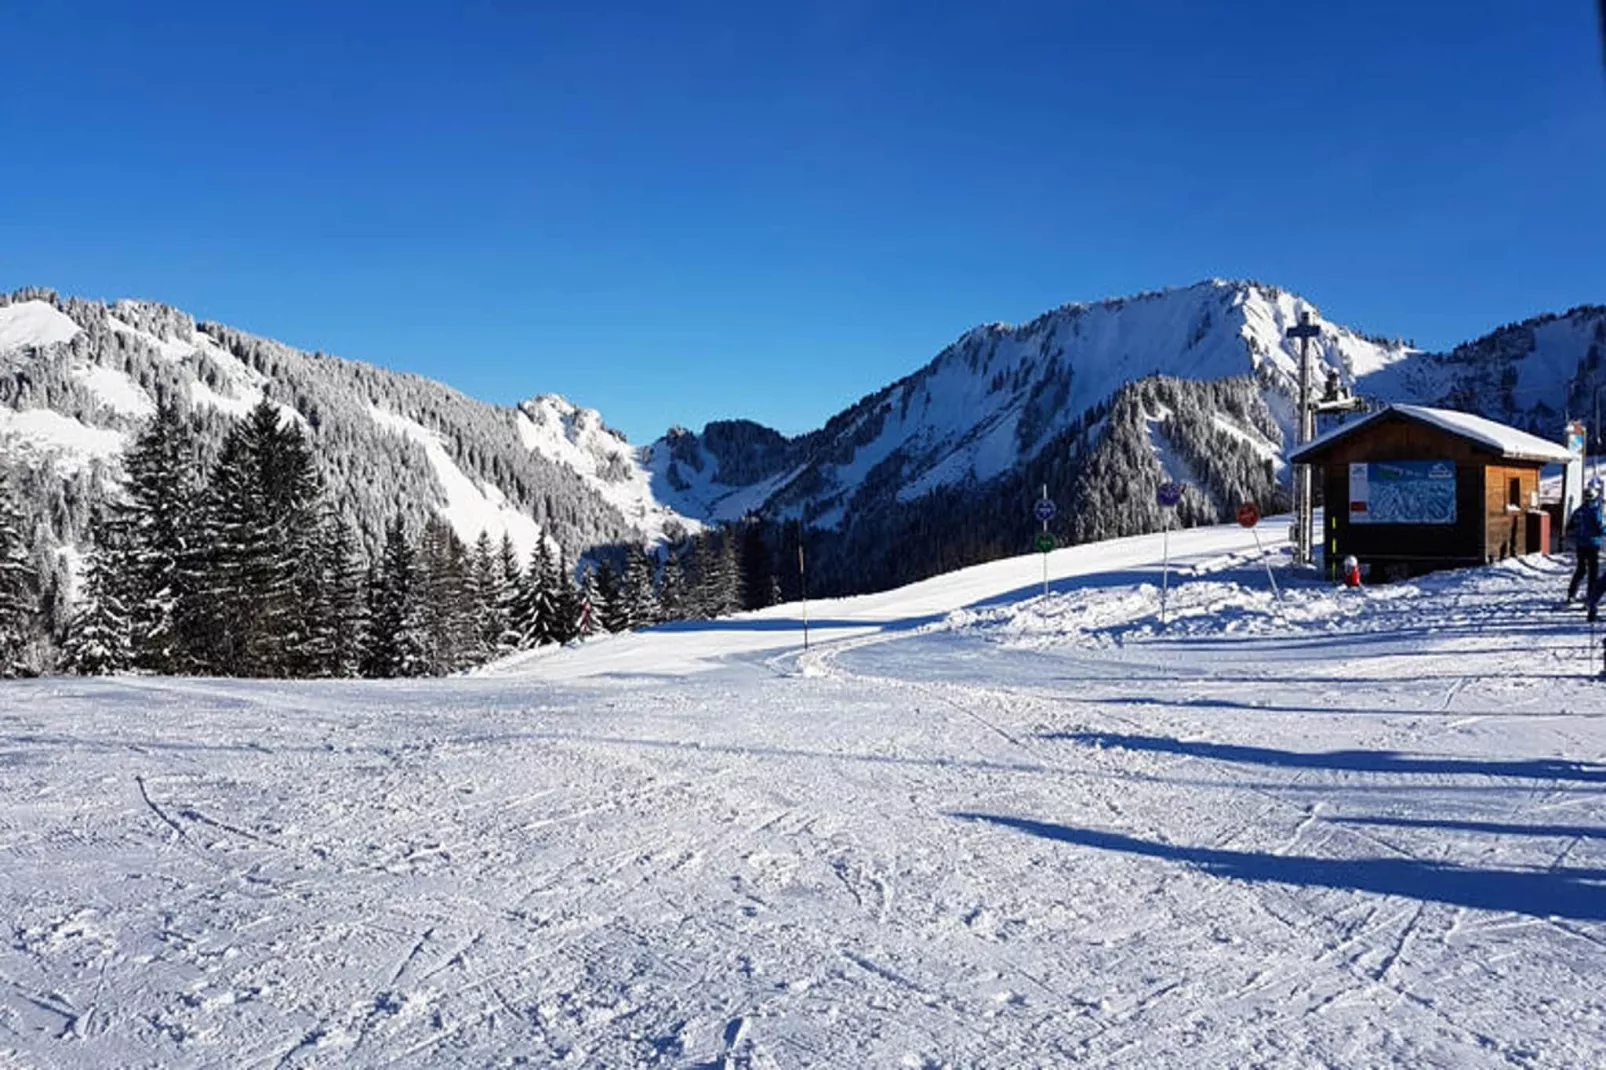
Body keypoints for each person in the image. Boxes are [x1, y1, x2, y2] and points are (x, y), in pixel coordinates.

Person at [1571, 484, 1606, 611]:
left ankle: (1571, 593)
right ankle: (1591, 598)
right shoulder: (1595, 511)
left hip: (1580, 544)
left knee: (1580, 569)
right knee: (1593, 572)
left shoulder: (1579, 510)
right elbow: (1600, 527)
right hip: (1592, 544)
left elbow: (1570, 524)